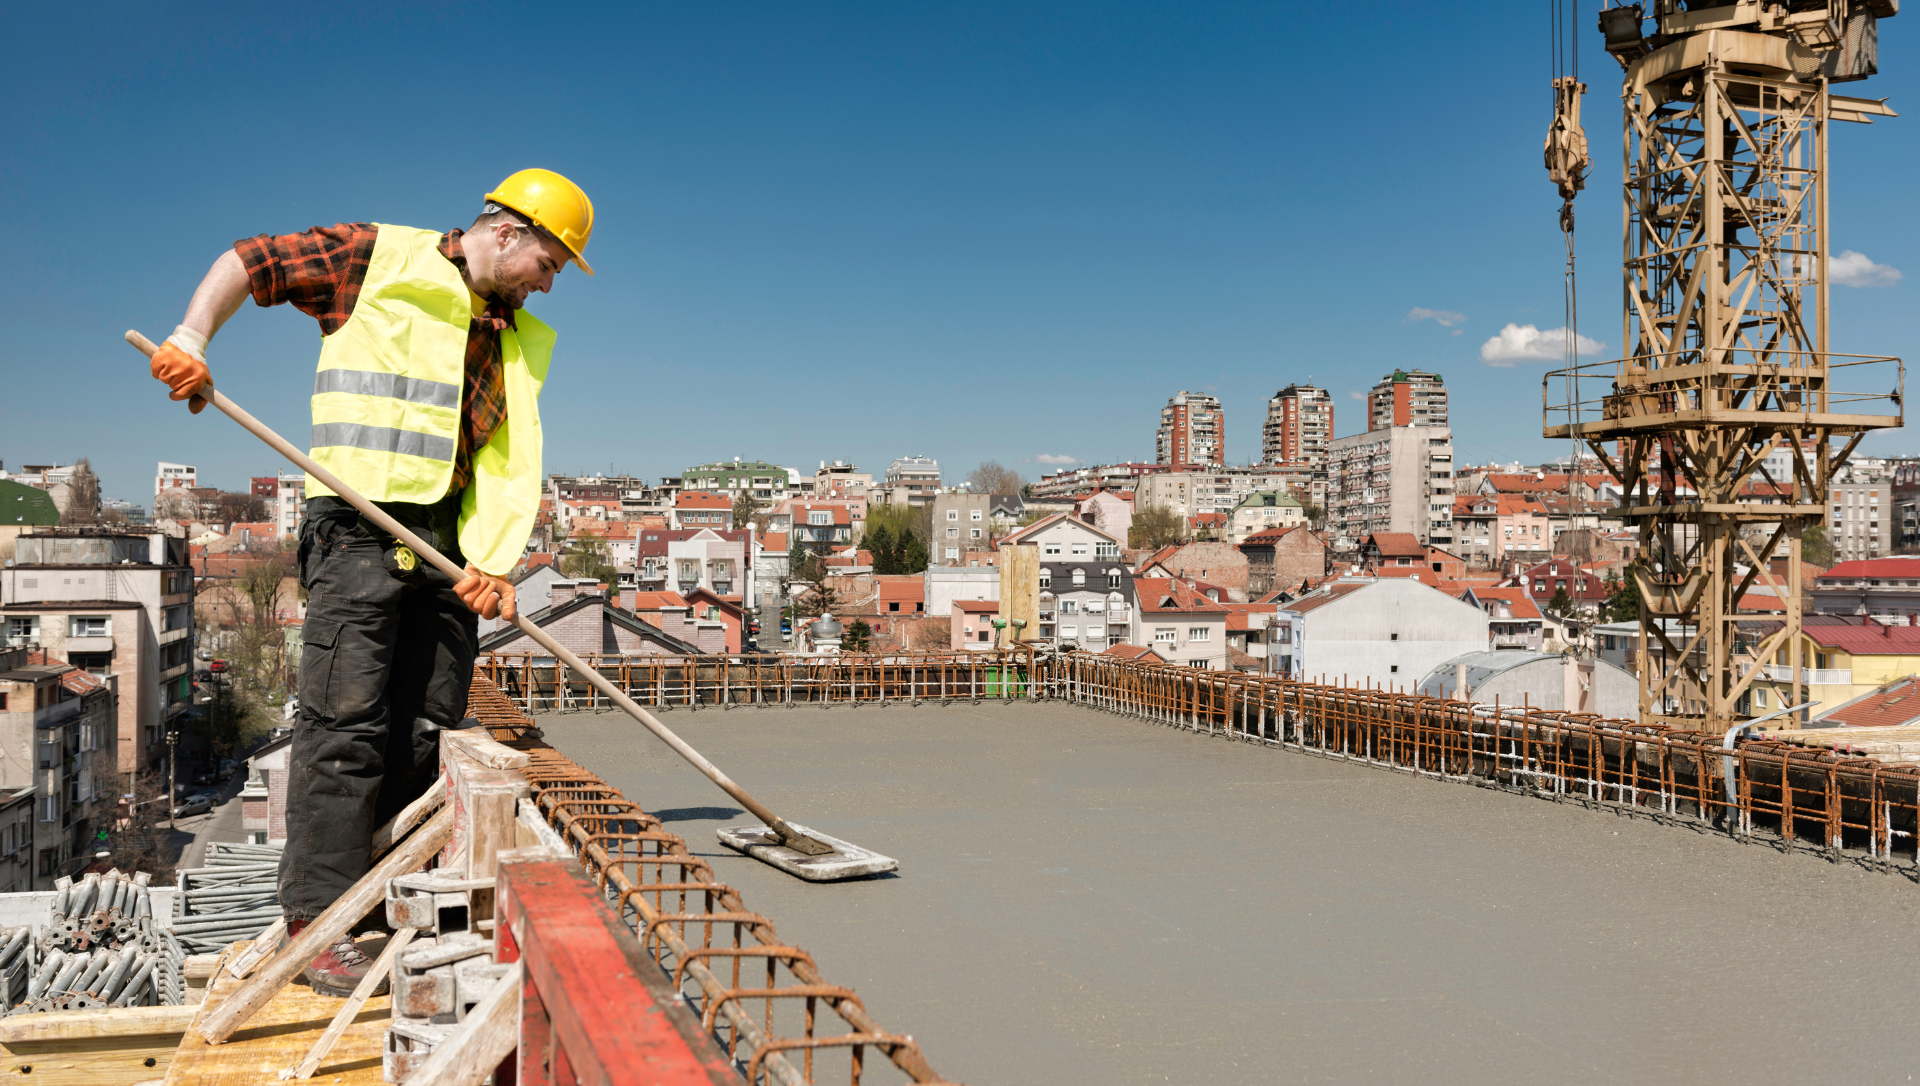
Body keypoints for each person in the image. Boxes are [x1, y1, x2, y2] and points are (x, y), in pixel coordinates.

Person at [148, 169, 594, 996]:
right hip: (356, 527)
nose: (550, 280)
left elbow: (506, 461)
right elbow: (250, 262)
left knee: (425, 728)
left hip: (448, 547)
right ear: (504, 232)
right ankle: (320, 929)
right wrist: (193, 339)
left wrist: (494, 561)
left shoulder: (510, 334)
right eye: (551, 260)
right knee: (344, 728)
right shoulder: (372, 258)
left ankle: (386, 907)